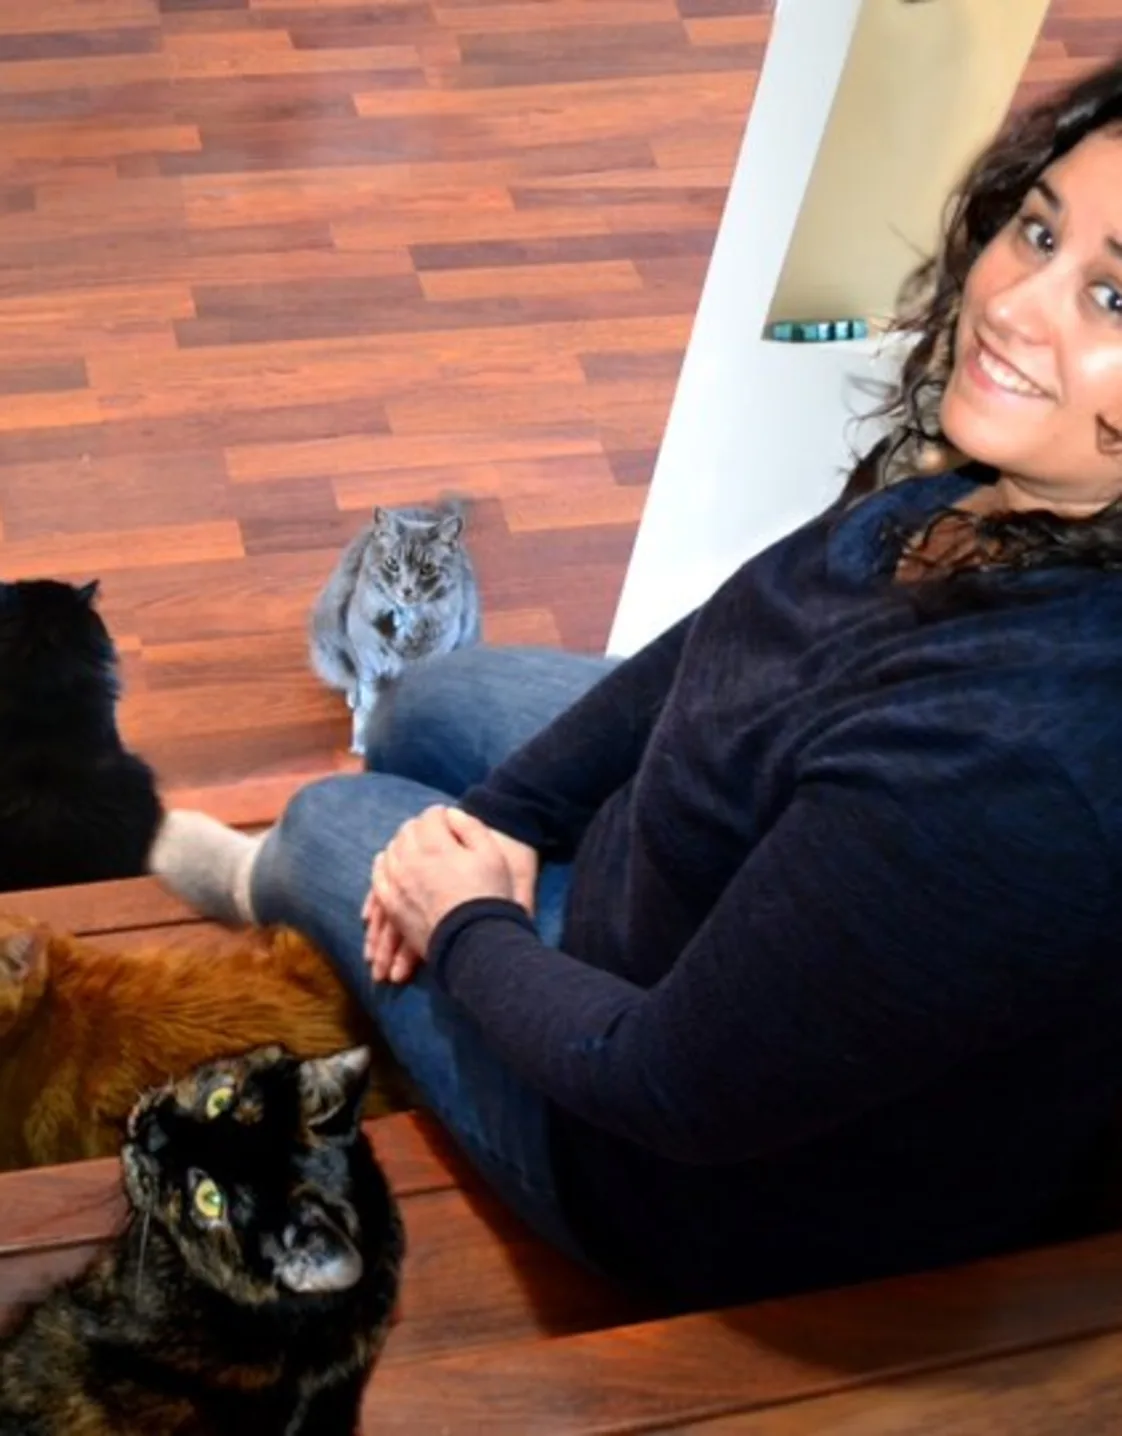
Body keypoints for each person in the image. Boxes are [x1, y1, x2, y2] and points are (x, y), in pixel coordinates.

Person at [152, 59, 1122, 1309]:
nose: (1015, 304)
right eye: (1037, 230)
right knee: (421, 705)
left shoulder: (1012, 777)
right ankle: (434, 864)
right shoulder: (1008, 481)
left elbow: (668, 1088)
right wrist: (503, 816)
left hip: (667, 1159)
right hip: (699, 869)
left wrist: (460, 916)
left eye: (1112, 294)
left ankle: (284, 882)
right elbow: (738, 633)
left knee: (330, 822)